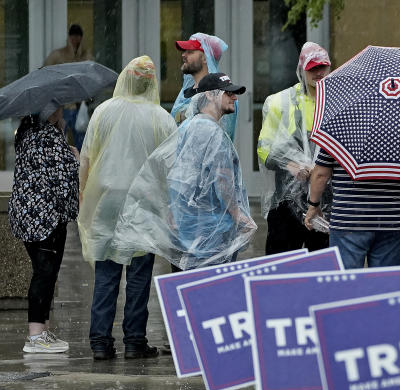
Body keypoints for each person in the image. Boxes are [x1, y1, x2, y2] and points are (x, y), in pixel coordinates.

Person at [78, 56, 177, 360]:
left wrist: (83, 195)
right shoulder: (162, 118)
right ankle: (134, 341)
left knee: (107, 272)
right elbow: (173, 167)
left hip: (107, 201)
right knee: (138, 275)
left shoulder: (103, 112)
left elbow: (86, 159)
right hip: (143, 204)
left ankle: (100, 341)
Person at [111, 73, 255, 271]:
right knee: (209, 293)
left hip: (186, 229)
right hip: (211, 231)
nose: (235, 98)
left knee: (186, 291)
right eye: (229, 93)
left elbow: (177, 174)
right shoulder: (213, 133)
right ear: (211, 95)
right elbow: (223, 180)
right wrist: (238, 214)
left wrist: (174, 211)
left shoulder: (187, 126)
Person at [8, 106, 79, 354]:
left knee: (45, 273)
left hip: (29, 214)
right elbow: (62, 179)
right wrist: (75, 159)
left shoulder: (26, 131)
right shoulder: (46, 135)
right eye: (57, 106)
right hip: (44, 217)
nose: (62, 110)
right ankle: (36, 336)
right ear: (48, 110)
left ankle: (42, 331)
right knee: (45, 273)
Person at [258, 42, 331, 254]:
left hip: (325, 203)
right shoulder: (280, 102)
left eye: (322, 67)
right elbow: (264, 148)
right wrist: (290, 164)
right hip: (287, 203)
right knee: (281, 270)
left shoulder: (338, 103)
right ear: (301, 69)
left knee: (322, 271)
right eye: (312, 68)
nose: (318, 73)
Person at [304, 149, 400, 270]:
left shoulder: (337, 133)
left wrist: (313, 204)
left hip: (348, 219)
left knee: (347, 282)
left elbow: (320, 175)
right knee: (389, 283)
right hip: (394, 220)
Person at [171, 33, 237, 141]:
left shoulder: (219, 95)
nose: (183, 55)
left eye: (190, 52)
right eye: (184, 51)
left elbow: (219, 139)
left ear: (206, 58)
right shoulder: (185, 93)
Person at [43, 24, 92, 150]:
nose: (75, 39)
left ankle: (80, 165)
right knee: (60, 139)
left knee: (81, 140)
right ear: (69, 37)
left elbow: (90, 76)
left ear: (81, 37)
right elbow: (45, 72)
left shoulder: (85, 55)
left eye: (78, 36)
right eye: (73, 36)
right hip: (62, 104)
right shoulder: (58, 54)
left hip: (79, 105)